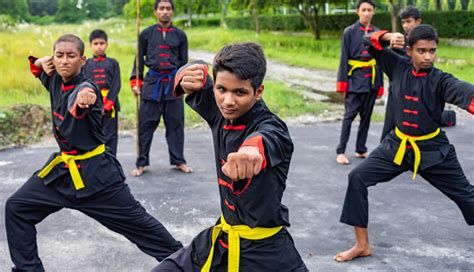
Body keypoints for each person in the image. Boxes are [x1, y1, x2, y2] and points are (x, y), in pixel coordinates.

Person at [5, 34, 183, 272]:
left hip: (97, 178)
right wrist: (40, 62)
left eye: (71, 56)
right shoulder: (55, 79)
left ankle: (189, 263)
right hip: (63, 174)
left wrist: (84, 100)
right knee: (17, 207)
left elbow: (83, 97)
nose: (65, 61)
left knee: (143, 228)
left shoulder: (87, 88)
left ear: (83, 60)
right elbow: (40, 69)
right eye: (60, 56)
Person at [152, 42, 308, 271]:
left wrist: (251, 150)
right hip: (221, 240)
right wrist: (195, 69)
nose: (228, 101)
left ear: (259, 91)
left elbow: (267, 137)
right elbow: (198, 73)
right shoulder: (221, 111)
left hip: (267, 251)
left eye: (240, 92)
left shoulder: (272, 127)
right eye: (221, 89)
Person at [334, 25, 474, 262]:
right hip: (397, 146)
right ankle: (362, 245)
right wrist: (388, 36)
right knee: (356, 178)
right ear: (409, 50)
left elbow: (466, 94)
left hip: (433, 151)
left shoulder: (441, 80)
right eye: (421, 50)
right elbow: (368, 41)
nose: (428, 56)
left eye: (432, 51)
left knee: (467, 196)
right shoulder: (396, 65)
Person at [130, 0, 191, 176]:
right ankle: (141, 163)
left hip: (173, 85)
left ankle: (179, 160)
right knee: (145, 125)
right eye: (161, 8)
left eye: (168, 9)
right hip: (152, 84)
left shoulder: (180, 35)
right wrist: (136, 82)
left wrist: (183, 83)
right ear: (156, 11)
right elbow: (138, 60)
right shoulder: (146, 34)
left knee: (176, 124)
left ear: (172, 12)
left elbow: (183, 63)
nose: (165, 12)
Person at [336, 0, 384, 165]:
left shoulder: (378, 33)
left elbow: (380, 62)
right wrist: (342, 84)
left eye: (369, 10)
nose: (366, 13)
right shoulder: (349, 32)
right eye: (363, 10)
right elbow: (343, 59)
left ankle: (361, 148)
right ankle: (341, 151)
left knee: (367, 117)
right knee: (349, 117)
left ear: (374, 12)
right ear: (357, 11)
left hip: (371, 81)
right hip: (354, 81)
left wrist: (380, 86)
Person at [380, 6, 422, 141]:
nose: (405, 25)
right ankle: (382, 158)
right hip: (397, 91)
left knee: (414, 129)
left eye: (408, 21)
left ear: (418, 21)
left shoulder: (425, 42)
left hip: (417, 93)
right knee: (389, 127)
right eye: (403, 22)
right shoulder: (397, 41)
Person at [83, 29, 121, 155]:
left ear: (107, 44)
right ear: (90, 45)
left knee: (110, 137)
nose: (99, 46)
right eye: (95, 44)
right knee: (93, 137)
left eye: (102, 43)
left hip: (110, 107)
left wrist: (107, 105)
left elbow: (116, 85)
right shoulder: (86, 64)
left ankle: (111, 163)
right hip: (92, 106)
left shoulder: (113, 63)